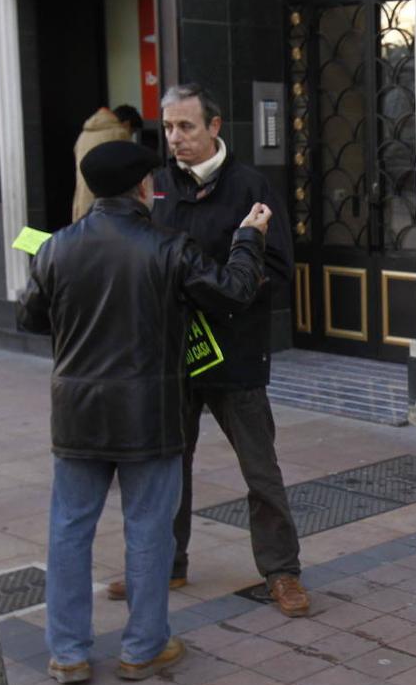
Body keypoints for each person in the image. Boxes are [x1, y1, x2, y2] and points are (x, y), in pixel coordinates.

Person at [17, 141, 270, 684]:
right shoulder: (168, 247)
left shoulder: (56, 249)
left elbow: (32, 319)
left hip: (78, 412)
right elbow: (233, 292)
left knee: (68, 531)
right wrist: (249, 237)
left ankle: (68, 651)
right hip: (149, 415)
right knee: (150, 530)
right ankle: (142, 647)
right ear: (142, 189)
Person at [103, 83, 310, 617]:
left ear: (214, 127)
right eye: (168, 128)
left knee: (260, 471)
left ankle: (282, 572)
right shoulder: (156, 187)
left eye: (186, 127)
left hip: (235, 354)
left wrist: (222, 291)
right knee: (168, 465)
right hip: (172, 354)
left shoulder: (251, 186)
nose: (175, 138)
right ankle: (167, 564)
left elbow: (279, 266)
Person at [71, 105, 143, 222]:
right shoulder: (119, 134)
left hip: (82, 202)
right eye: (132, 132)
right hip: (106, 208)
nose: (131, 135)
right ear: (127, 124)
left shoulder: (84, 134)